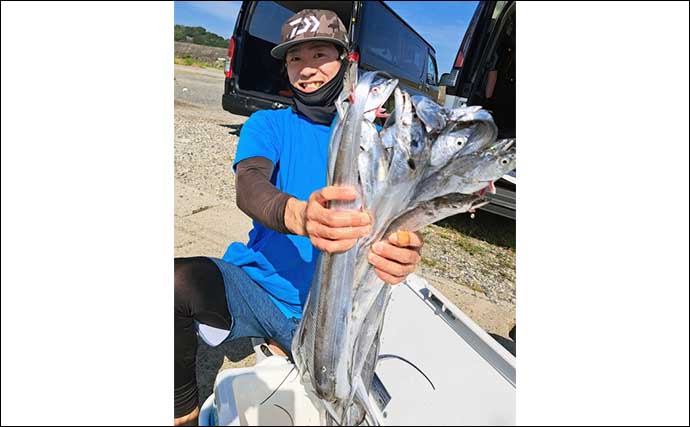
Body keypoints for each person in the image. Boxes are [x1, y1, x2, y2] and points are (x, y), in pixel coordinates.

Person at [174, 9, 424, 426]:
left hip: (336, 311)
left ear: (347, 61)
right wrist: (300, 215)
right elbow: (250, 185)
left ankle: (290, 347)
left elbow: (396, 220)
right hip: (259, 286)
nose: (306, 70)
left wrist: (404, 247)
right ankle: (182, 413)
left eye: (320, 54)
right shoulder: (267, 124)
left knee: (373, 407)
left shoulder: (374, 140)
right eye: (295, 58)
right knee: (173, 283)